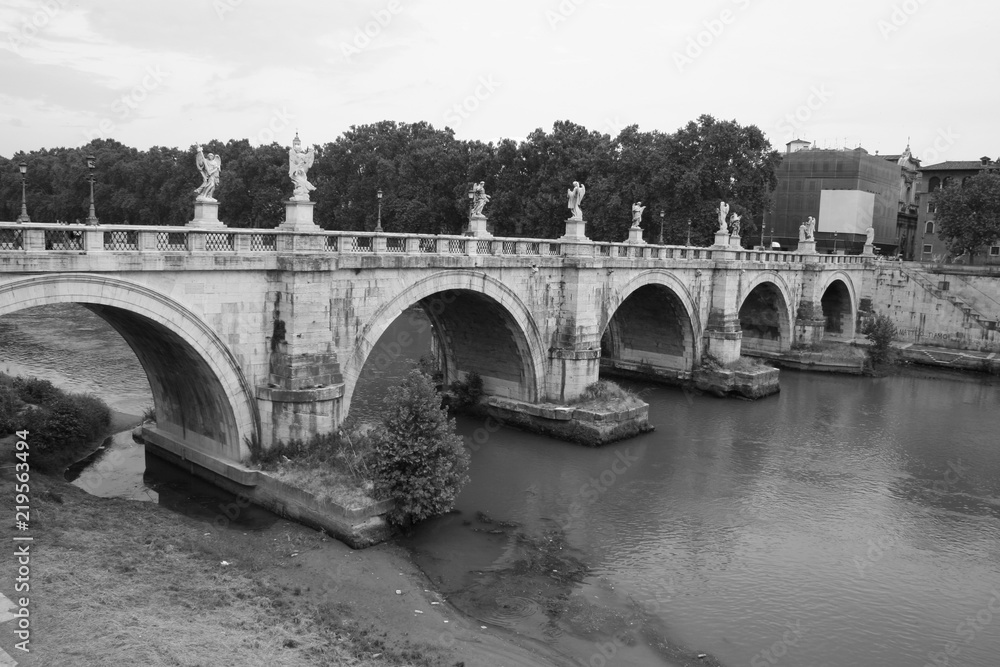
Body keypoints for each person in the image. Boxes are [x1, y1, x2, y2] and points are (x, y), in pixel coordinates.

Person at [288, 134, 316, 201]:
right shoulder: (295, 155)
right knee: (302, 182)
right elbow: (297, 163)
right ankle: (304, 190)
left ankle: (303, 192)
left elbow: (307, 160)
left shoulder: (300, 155)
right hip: (297, 172)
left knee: (302, 182)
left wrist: (311, 153)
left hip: (301, 172)